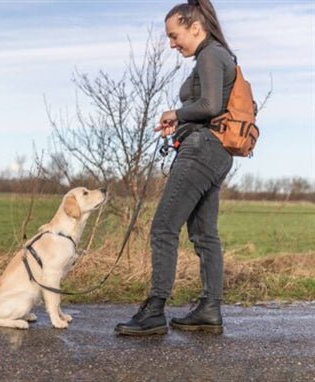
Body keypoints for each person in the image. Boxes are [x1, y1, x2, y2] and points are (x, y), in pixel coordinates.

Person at [115, 0, 235, 336]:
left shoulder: (211, 54)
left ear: (195, 27)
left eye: (174, 35)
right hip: (214, 152)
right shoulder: (218, 55)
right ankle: (209, 309)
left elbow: (210, 104)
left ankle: (154, 309)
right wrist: (181, 124)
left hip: (201, 151)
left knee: (164, 228)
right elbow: (209, 108)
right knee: (203, 235)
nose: (171, 43)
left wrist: (176, 114)